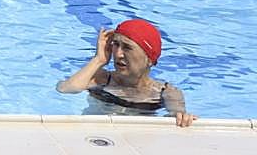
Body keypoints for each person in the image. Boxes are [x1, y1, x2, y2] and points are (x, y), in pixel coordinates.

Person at [57, 19, 195, 126]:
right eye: (116, 44)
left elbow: (177, 116)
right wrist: (98, 60)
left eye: (127, 48)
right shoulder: (100, 79)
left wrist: (182, 117)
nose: (118, 54)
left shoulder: (166, 92)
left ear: (149, 59)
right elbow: (65, 89)